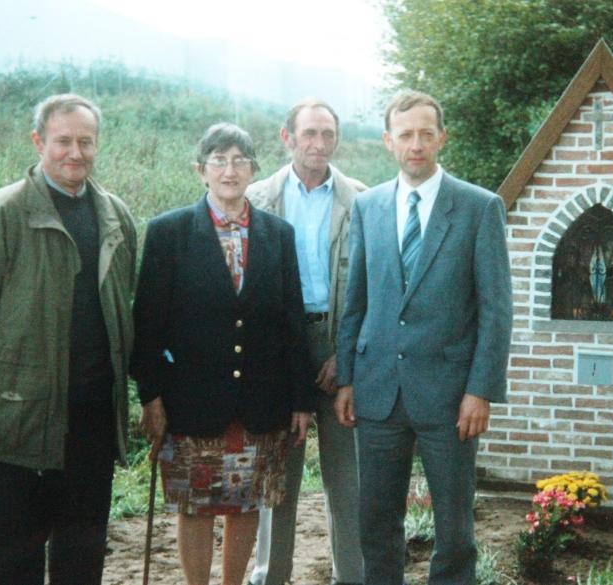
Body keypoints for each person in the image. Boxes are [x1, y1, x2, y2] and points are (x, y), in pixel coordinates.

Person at [0, 94, 137, 585]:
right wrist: (14, 371)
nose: (76, 152)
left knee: (83, 551)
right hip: (18, 417)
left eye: (85, 142)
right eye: (63, 140)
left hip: (91, 418)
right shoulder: (0, 214)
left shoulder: (115, 215)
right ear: (38, 141)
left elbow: (123, 300)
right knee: (17, 554)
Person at [334, 91, 513, 585]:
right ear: (389, 141)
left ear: (442, 138)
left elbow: (497, 310)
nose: (416, 144)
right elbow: (357, 301)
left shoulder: (479, 208)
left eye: (425, 134)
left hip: (451, 396)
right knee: (375, 525)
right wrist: (347, 377)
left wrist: (480, 390)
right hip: (377, 392)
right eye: (406, 134)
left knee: (455, 532)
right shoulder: (367, 207)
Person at [131, 122, 316, 585]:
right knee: (195, 505)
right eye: (219, 160)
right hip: (191, 402)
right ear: (201, 170)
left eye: (239, 160)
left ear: (253, 169)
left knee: (246, 502)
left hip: (261, 401)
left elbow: (292, 321)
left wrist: (301, 400)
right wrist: (150, 398)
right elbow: (147, 325)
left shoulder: (278, 234)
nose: (229, 170)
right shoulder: (167, 232)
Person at [246, 98, 365, 585]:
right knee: (277, 482)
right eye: (309, 133)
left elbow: (375, 286)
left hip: (341, 345)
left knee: (348, 481)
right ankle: (270, 577)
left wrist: (348, 354)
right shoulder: (256, 199)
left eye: (328, 134)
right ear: (287, 137)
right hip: (279, 352)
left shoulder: (362, 199)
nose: (319, 144)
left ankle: (352, 577)